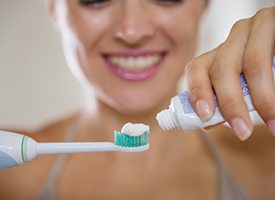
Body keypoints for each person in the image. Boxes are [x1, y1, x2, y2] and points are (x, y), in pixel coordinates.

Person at [0, 0, 274, 199]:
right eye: (97, 0)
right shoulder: (10, 180)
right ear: (53, 8)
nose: (133, 31)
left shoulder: (268, 163)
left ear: (204, 4)